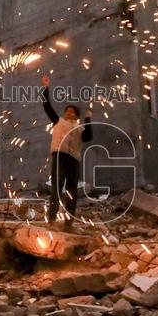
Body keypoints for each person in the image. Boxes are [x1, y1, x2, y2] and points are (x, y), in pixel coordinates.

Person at [41, 75, 92, 227]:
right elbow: (47, 106)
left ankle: (69, 222)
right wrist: (45, 88)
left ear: (76, 116)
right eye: (67, 111)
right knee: (57, 188)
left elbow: (89, 137)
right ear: (64, 114)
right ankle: (51, 219)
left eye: (73, 112)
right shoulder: (58, 121)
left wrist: (88, 118)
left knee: (72, 191)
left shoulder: (80, 128)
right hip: (60, 156)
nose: (69, 113)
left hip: (74, 159)